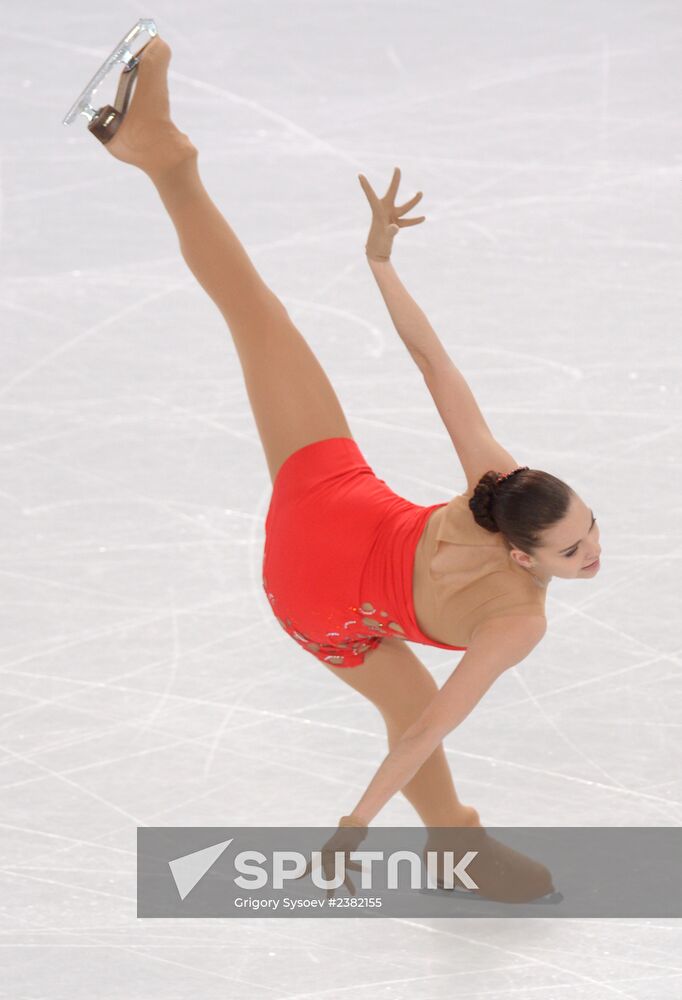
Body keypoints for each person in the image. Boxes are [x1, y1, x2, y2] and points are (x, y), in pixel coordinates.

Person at [74, 31, 601, 901]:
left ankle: (168, 163)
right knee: (405, 691)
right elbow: (426, 726)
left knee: (257, 316)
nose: (592, 554)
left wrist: (380, 261)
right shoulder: (518, 620)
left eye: (585, 540)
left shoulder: (496, 487)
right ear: (521, 554)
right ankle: (453, 844)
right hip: (315, 596)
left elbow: (437, 367)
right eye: (579, 544)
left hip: (328, 502)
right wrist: (351, 828)